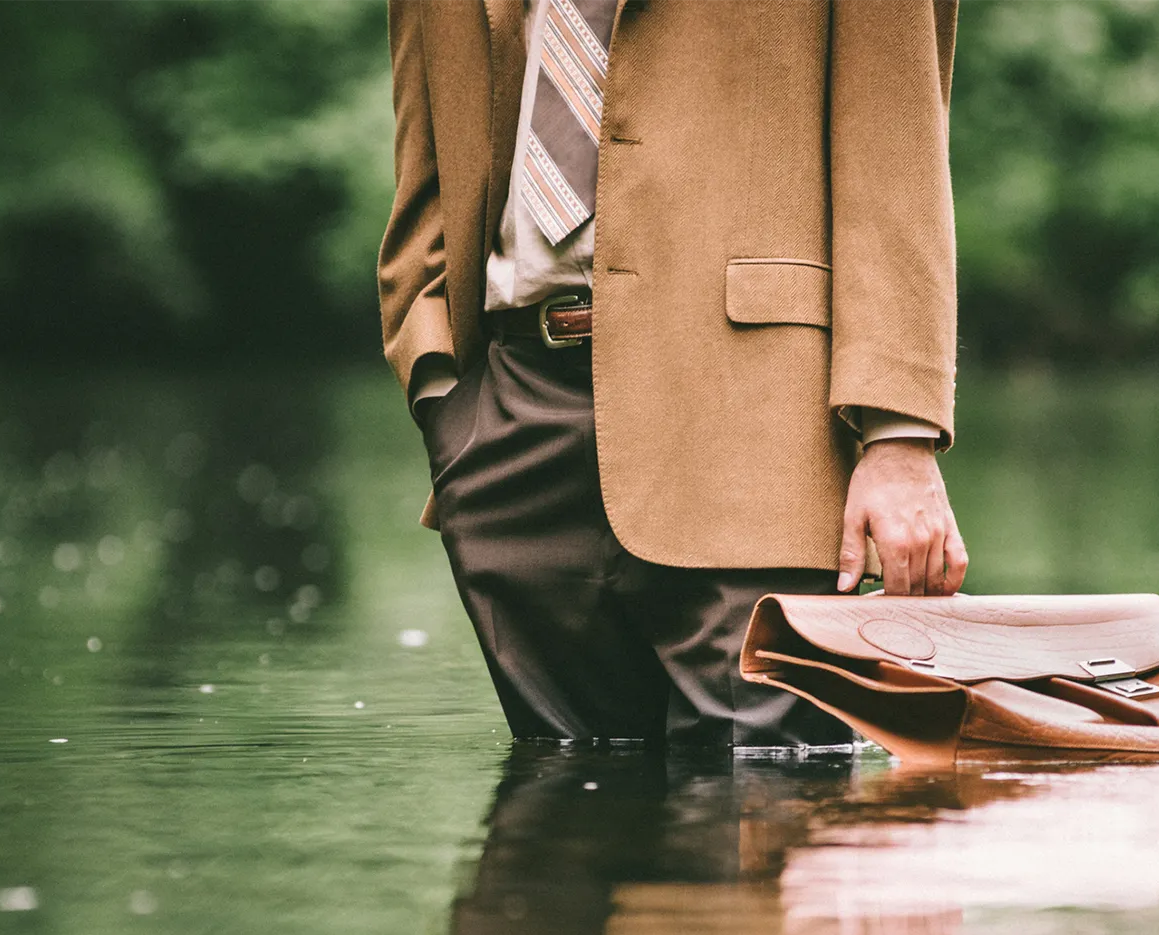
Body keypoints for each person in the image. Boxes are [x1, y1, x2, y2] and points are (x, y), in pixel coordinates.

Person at [378, 0, 968, 748]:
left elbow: (896, 125)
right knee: (564, 803)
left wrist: (899, 431)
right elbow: (426, 141)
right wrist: (439, 388)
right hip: (512, 422)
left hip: (763, 417)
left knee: (768, 799)